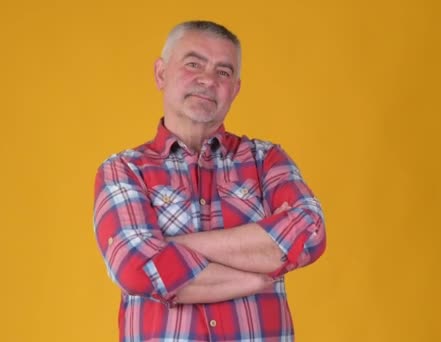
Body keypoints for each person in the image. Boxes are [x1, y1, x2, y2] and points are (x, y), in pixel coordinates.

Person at [93, 20, 326, 342]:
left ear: (235, 88)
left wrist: (168, 249)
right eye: (193, 64)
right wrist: (256, 275)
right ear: (161, 73)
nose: (207, 80)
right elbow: (135, 270)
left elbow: (310, 232)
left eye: (223, 72)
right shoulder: (123, 169)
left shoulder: (266, 160)